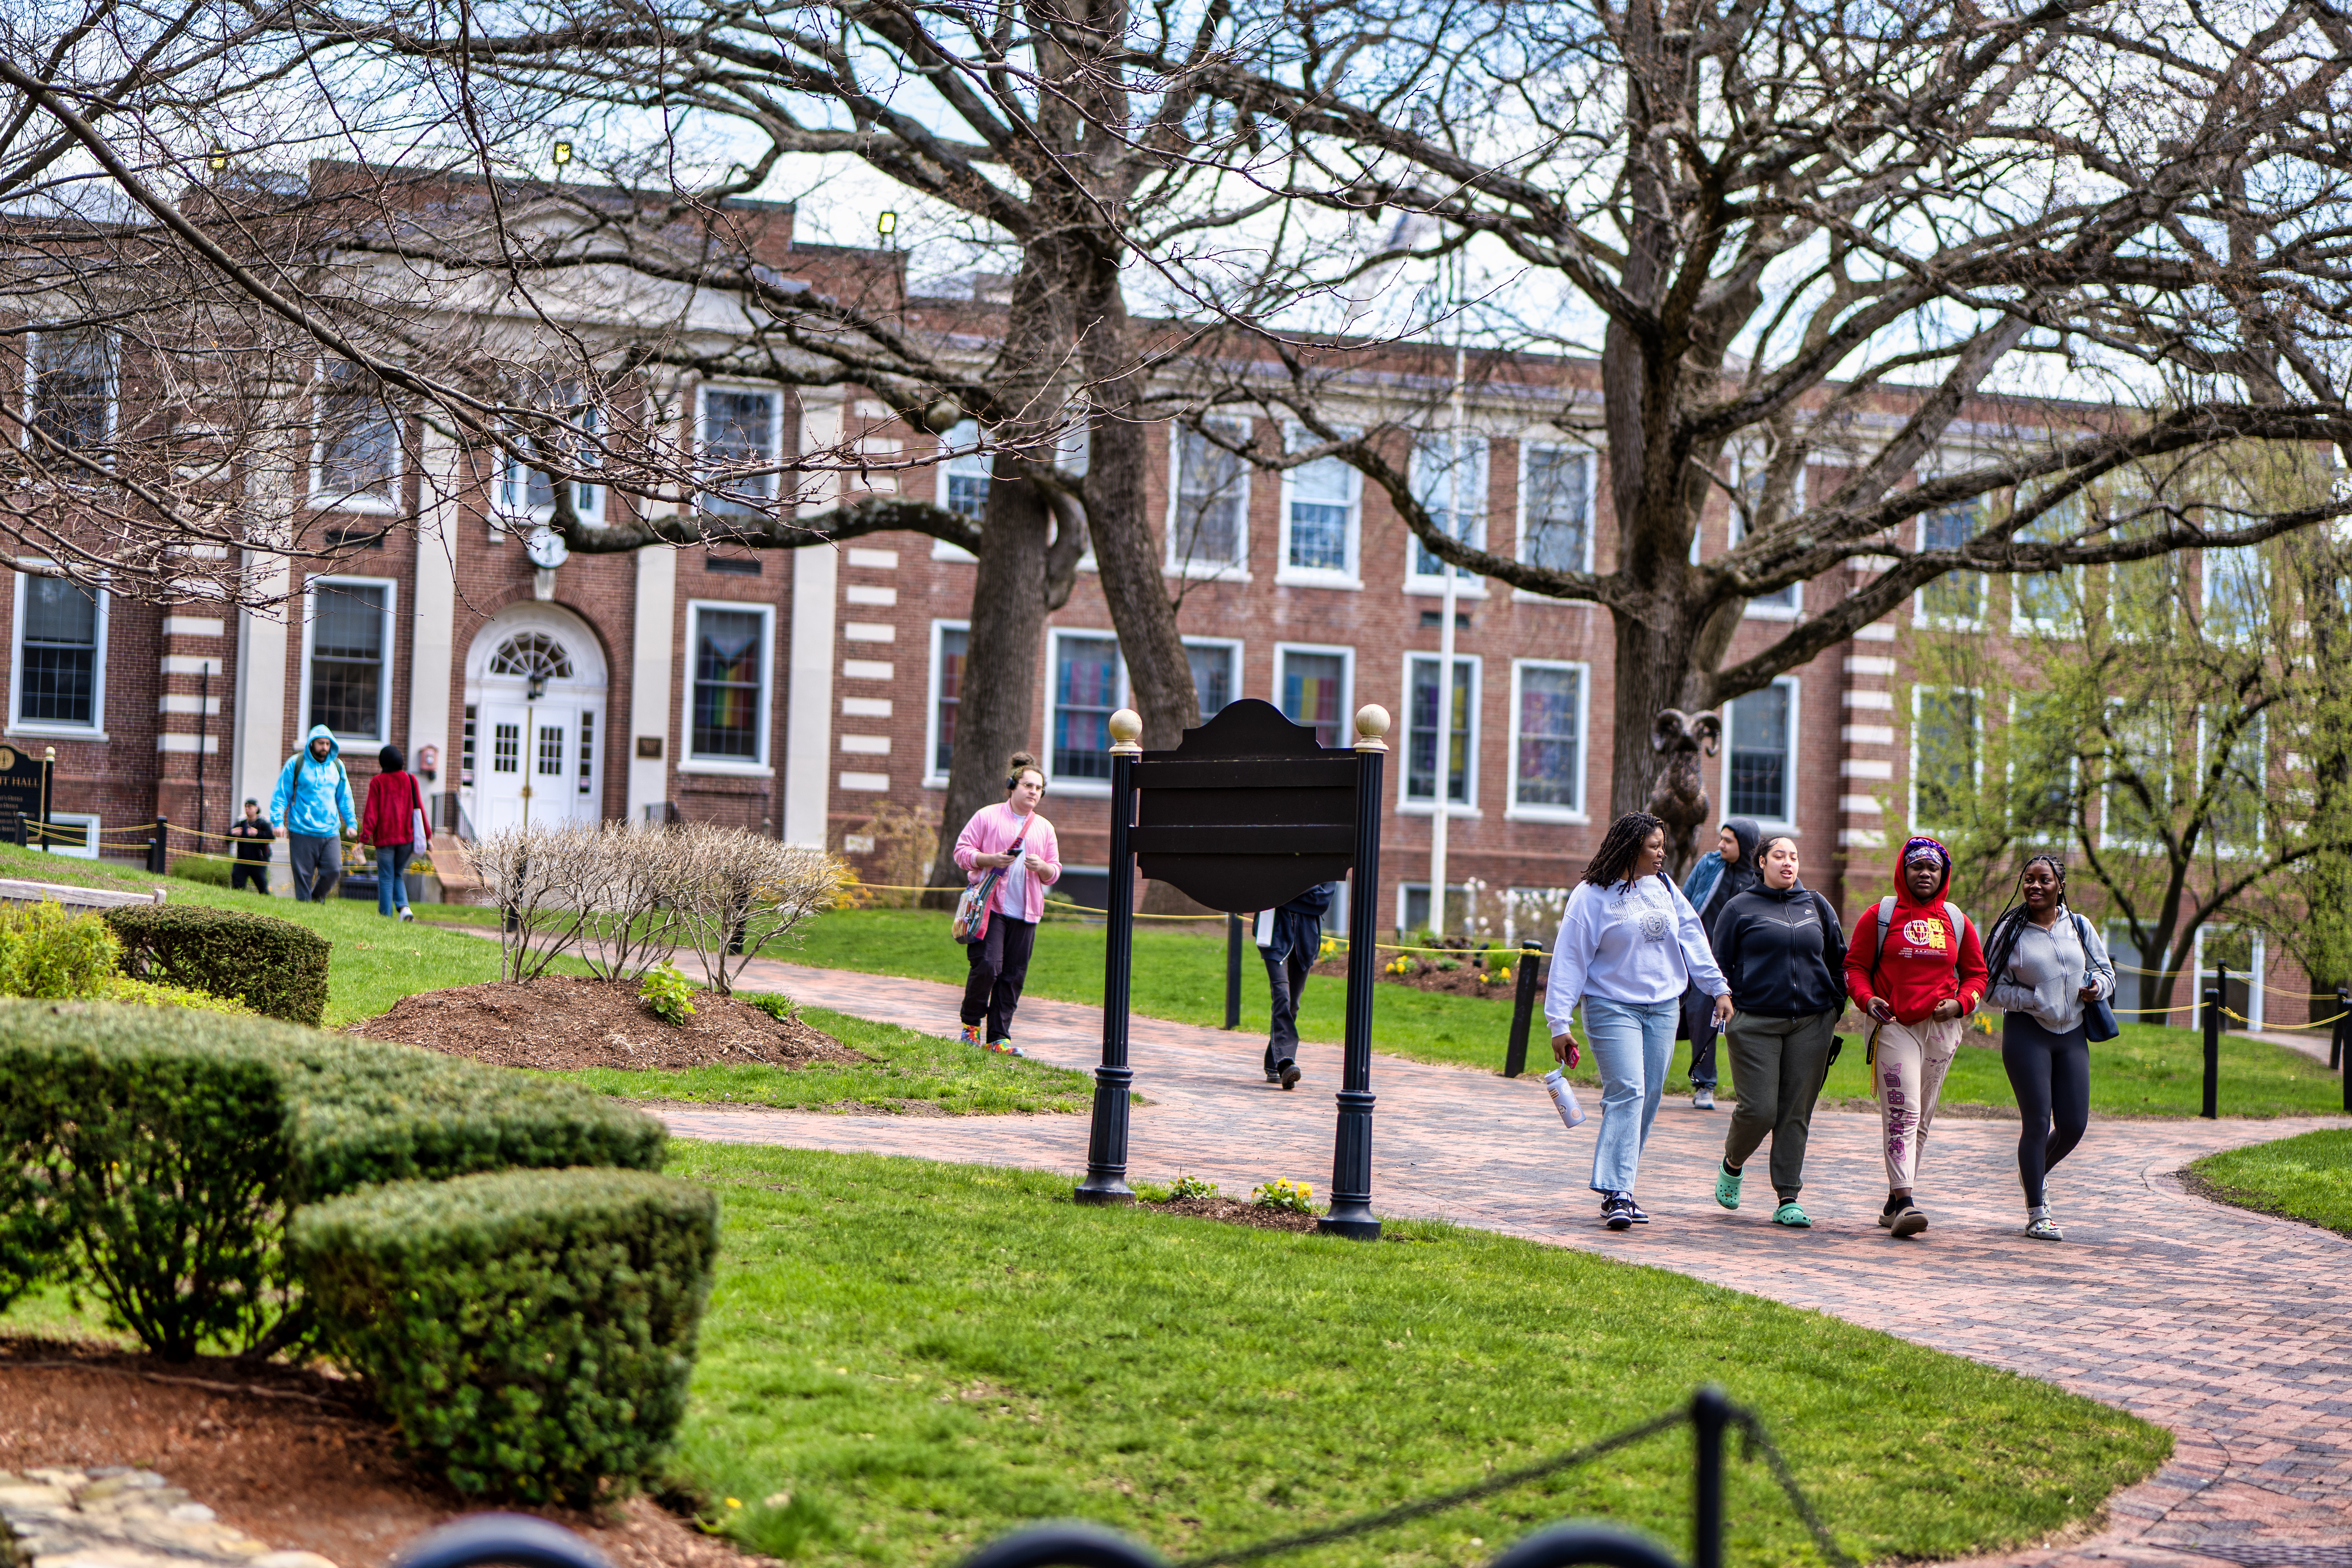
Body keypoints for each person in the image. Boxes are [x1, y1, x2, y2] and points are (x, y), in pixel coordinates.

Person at [1545, 811, 1732, 1231]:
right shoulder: (1591, 896)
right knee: (1628, 1090)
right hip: (1612, 1006)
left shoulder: (1663, 886)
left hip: (1664, 1007)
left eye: (1662, 846)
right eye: (1654, 847)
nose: (1662, 853)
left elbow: (1692, 936)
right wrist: (1559, 1022)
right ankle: (1617, 1192)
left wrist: (1718, 988)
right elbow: (1570, 958)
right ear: (1632, 849)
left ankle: (1621, 1187)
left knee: (1648, 1096)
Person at [1844, 835, 1988, 1239]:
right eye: (1917, 867)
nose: (1925, 873)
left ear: (1943, 875)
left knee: (1921, 1118)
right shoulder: (1880, 915)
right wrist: (1867, 999)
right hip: (1894, 1024)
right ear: (1903, 871)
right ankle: (1907, 1202)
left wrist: (1961, 1003)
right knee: (1903, 1110)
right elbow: (1854, 967)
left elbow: (1977, 974)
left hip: (1941, 1030)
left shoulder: (1956, 920)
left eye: (1933, 868)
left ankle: (1894, 1199)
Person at [1708, 835, 1846, 1228]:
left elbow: (1839, 958)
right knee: (1760, 1109)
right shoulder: (1740, 908)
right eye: (1780, 856)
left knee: (1795, 1112)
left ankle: (1788, 1198)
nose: (1788, 863)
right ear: (1762, 862)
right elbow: (1718, 964)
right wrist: (1725, 998)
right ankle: (1733, 1162)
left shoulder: (1816, 905)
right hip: (1755, 1022)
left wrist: (1835, 1005)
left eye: (1794, 857)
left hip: (1812, 1022)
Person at [1982, 854, 2115, 1242]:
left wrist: (2097, 988)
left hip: (2072, 1033)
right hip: (2028, 1033)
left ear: (2061, 885)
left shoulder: (2079, 925)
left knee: (2073, 1126)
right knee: (2038, 1122)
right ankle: (2037, 1212)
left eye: (2044, 879)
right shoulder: (2009, 931)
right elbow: (1989, 988)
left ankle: (2033, 1173)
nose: (2035, 886)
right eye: (2029, 879)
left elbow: (2106, 972)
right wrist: (2034, 999)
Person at [953, 751, 1062, 1055]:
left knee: (1013, 976)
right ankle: (971, 1027)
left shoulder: (1045, 828)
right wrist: (989, 859)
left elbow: (1054, 872)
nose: (1033, 792)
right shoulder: (987, 816)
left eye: (1039, 788)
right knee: (988, 966)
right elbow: (961, 852)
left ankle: (999, 1039)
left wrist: (1042, 867)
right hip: (990, 908)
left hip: (1027, 913)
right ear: (1013, 786)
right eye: (1028, 785)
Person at [1677, 817, 1762, 1110]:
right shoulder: (1709, 864)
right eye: (1721, 838)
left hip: (1737, 965)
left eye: (1728, 841)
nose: (1720, 845)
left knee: (1742, 1026)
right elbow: (1685, 902)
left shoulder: (1759, 878)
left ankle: (1750, 1093)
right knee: (1695, 1016)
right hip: (1700, 959)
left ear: (1746, 846)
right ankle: (1702, 1085)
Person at [1256, 882, 1333, 1090]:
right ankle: (1285, 1062)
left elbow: (1321, 902)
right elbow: (1264, 891)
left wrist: (1285, 895)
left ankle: (1273, 1063)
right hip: (1274, 933)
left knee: (1293, 1006)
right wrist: (1305, 891)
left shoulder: (1326, 868)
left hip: (1306, 939)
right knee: (1282, 996)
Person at [269, 724, 356, 903]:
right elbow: (282, 793)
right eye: (321, 743)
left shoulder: (337, 766)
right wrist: (278, 821)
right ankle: (304, 909)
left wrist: (351, 822)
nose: (325, 747)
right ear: (312, 743)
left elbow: (345, 797)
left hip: (330, 831)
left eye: (328, 744)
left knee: (334, 870)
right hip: (301, 829)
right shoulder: (296, 763)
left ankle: (316, 899)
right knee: (303, 877)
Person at [359, 744, 427, 921]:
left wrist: (364, 838)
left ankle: (385, 917)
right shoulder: (411, 779)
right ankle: (405, 909)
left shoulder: (377, 782)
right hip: (407, 839)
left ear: (383, 762)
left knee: (386, 877)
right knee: (397, 874)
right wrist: (428, 835)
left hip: (385, 841)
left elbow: (371, 813)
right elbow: (419, 809)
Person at [226, 799, 276, 894]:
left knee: (262, 887)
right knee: (237, 885)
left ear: (256, 809)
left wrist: (257, 833)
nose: (247, 809)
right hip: (242, 861)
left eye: (250, 807)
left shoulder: (262, 824)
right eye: (246, 807)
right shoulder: (241, 824)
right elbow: (227, 839)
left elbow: (272, 837)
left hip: (258, 861)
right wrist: (232, 833)